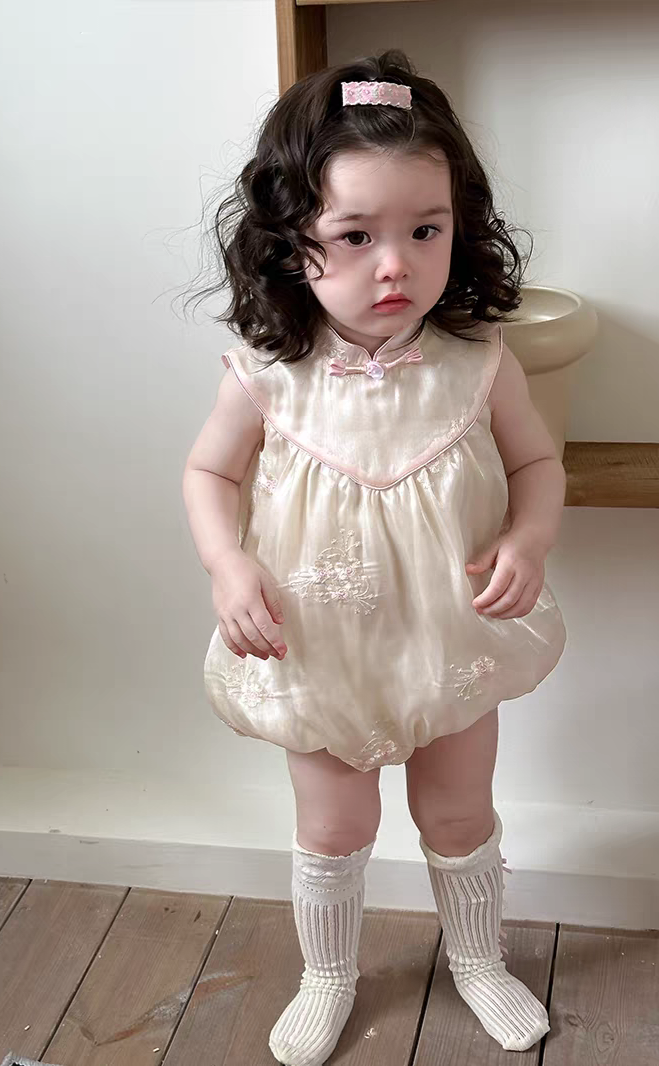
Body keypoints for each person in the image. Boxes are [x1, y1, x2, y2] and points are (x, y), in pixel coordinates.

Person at [183, 49, 566, 1066]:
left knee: (458, 809)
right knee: (335, 824)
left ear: (458, 228)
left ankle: (477, 959)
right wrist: (228, 565)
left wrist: (527, 537)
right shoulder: (268, 375)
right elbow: (209, 473)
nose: (394, 265)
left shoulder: (478, 363)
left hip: (452, 636)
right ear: (291, 240)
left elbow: (537, 463)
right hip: (315, 642)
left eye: (423, 231)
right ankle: (328, 973)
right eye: (356, 236)